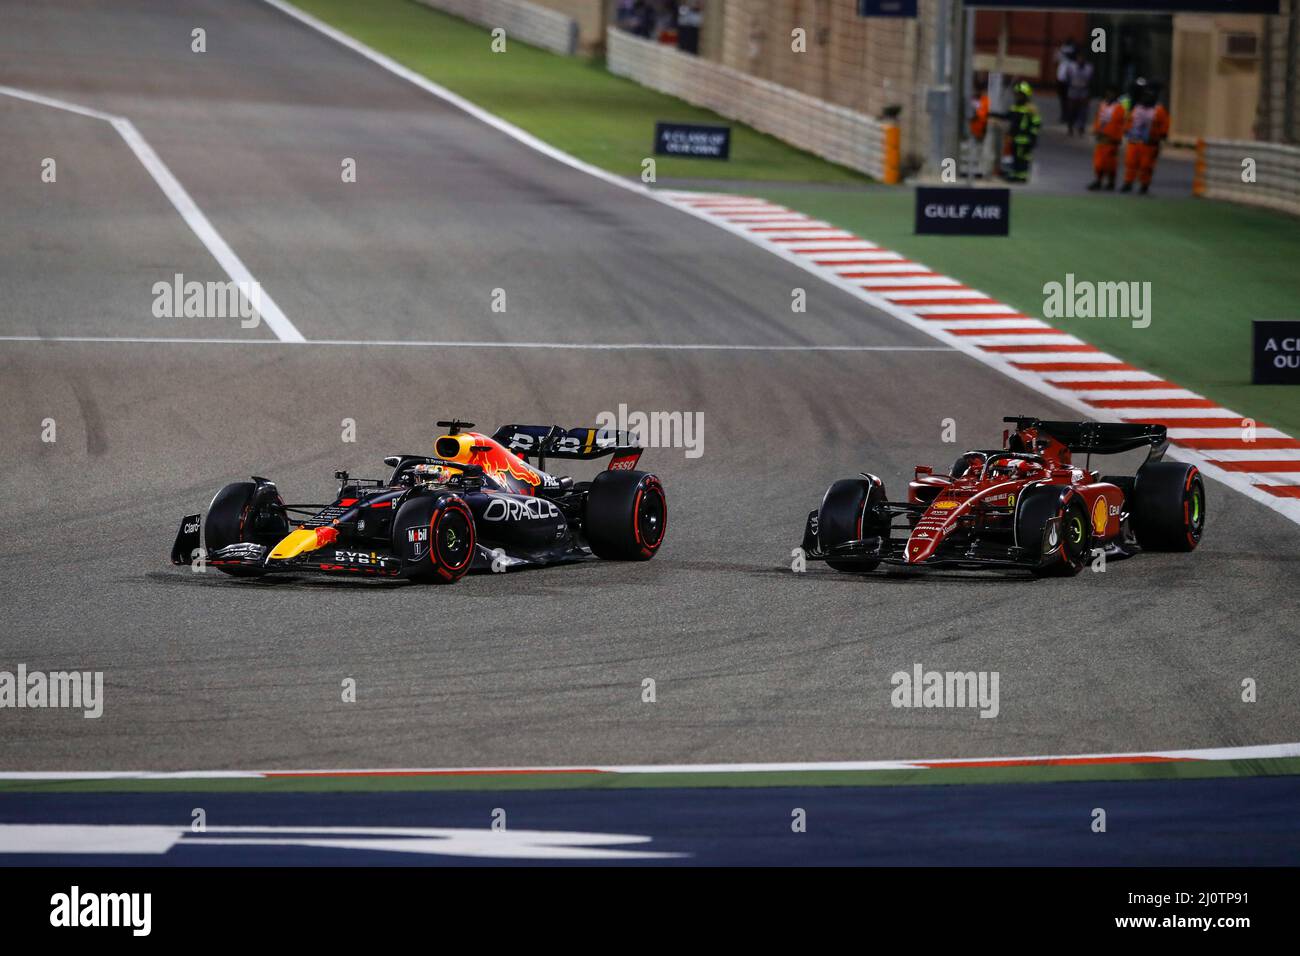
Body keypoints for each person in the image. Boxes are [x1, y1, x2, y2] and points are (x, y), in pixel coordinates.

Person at [1121, 87, 1168, 194]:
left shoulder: (1159, 110)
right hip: (1134, 141)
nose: (1147, 98)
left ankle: (1144, 185)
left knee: (1146, 166)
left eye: (1150, 96)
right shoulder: (1136, 108)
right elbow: (1129, 121)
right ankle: (1128, 182)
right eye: (1145, 96)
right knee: (1130, 163)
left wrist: (1161, 137)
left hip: (1149, 144)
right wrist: (1126, 130)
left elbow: (1164, 125)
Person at [997, 81, 1042, 184]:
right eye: (1017, 94)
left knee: (1023, 158)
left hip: (1026, 138)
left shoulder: (1031, 109)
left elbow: (1036, 123)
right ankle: (1016, 174)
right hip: (1015, 138)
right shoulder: (1015, 107)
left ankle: (1022, 176)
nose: (1017, 97)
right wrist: (993, 116)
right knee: (1015, 157)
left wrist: (1032, 137)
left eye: (1020, 94)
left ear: (1025, 95)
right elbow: (1006, 116)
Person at [1087, 86, 1125, 190]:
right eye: (1108, 93)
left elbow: (1120, 125)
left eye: (1112, 93)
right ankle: (1098, 180)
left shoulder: (1119, 108)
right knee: (1099, 162)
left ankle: (1111, 182)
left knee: (1110, 164)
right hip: (1101, 139)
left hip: (1112, 141)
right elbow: (1098, 119)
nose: (1109, 96)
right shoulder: (1102, 105)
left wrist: (1117, 138)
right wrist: (1096, 131)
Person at [1064, 52, 1094, 136]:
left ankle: (1081, 127)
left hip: (1084, 90)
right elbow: (1067, 78)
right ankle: (1070, 126)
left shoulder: (1089, 68)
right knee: (1072, 109)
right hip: (1073, 89)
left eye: (1082, 58)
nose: (1081, 60)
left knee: (1083, 110)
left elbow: (1091, 80)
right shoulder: (1071, 67)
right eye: (1079, 58)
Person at [1054, 38, 1078, 125]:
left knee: (1069, 100)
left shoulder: (1072, 63)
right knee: (1063, 100)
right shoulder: (1063, 62)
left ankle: (1070, 117)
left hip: (1069, 82)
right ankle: (1065, 116)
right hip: (1062, 81)